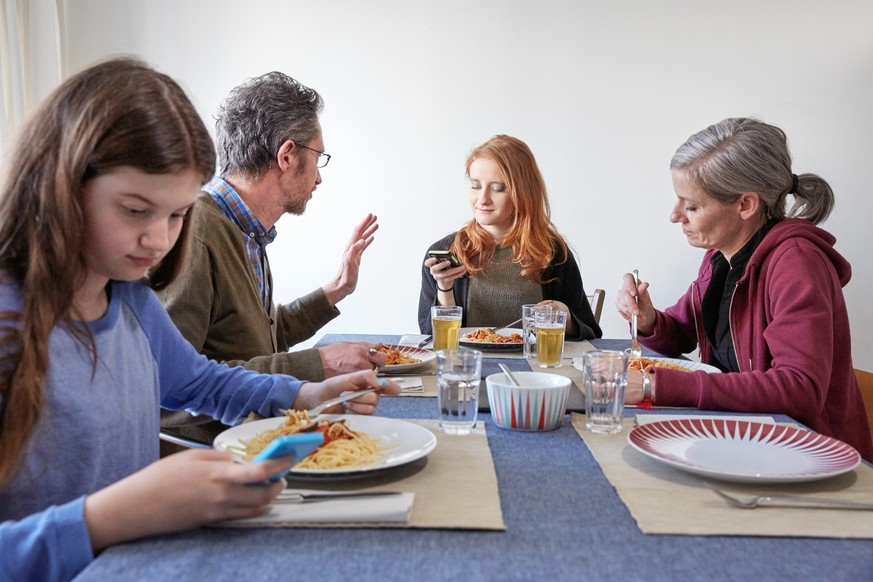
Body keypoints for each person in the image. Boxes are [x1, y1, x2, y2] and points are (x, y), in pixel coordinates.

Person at [0, 58, 399, 582]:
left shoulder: (129, 300)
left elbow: (196, 380)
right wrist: (108, 518)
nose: (160, 240)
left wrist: (302, 396)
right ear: (62, 185)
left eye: (177, 214)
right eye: (136, 211)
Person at [615, 117, 873, 461]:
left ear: (745, 205)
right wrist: (647, 320)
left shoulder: (797, 264)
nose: (675, 216)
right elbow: (681, 333)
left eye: (691, 206)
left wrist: (655, 386)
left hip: (810, 456)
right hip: (743, 441)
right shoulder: (720, 256)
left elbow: (799, 390)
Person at [157, 71, 388, 445]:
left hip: (253, 433)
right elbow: (171, 387)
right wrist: (319, 364)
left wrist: (336, 289)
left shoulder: (244, 229)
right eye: (319, 157)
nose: (318, 178)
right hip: (215, 452)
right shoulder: (196, 231)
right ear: (287, 155)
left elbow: (256, 341)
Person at [418, 134, 601, 341]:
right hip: (467, 369)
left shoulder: (553, 253)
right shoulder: (446, 252)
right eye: (475, 185)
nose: (483, 199)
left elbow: (590, 332)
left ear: (522, 192)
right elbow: (430, 338)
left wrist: (564, 318)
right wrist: (444, 288)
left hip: (534, 371)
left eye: (497, 188)